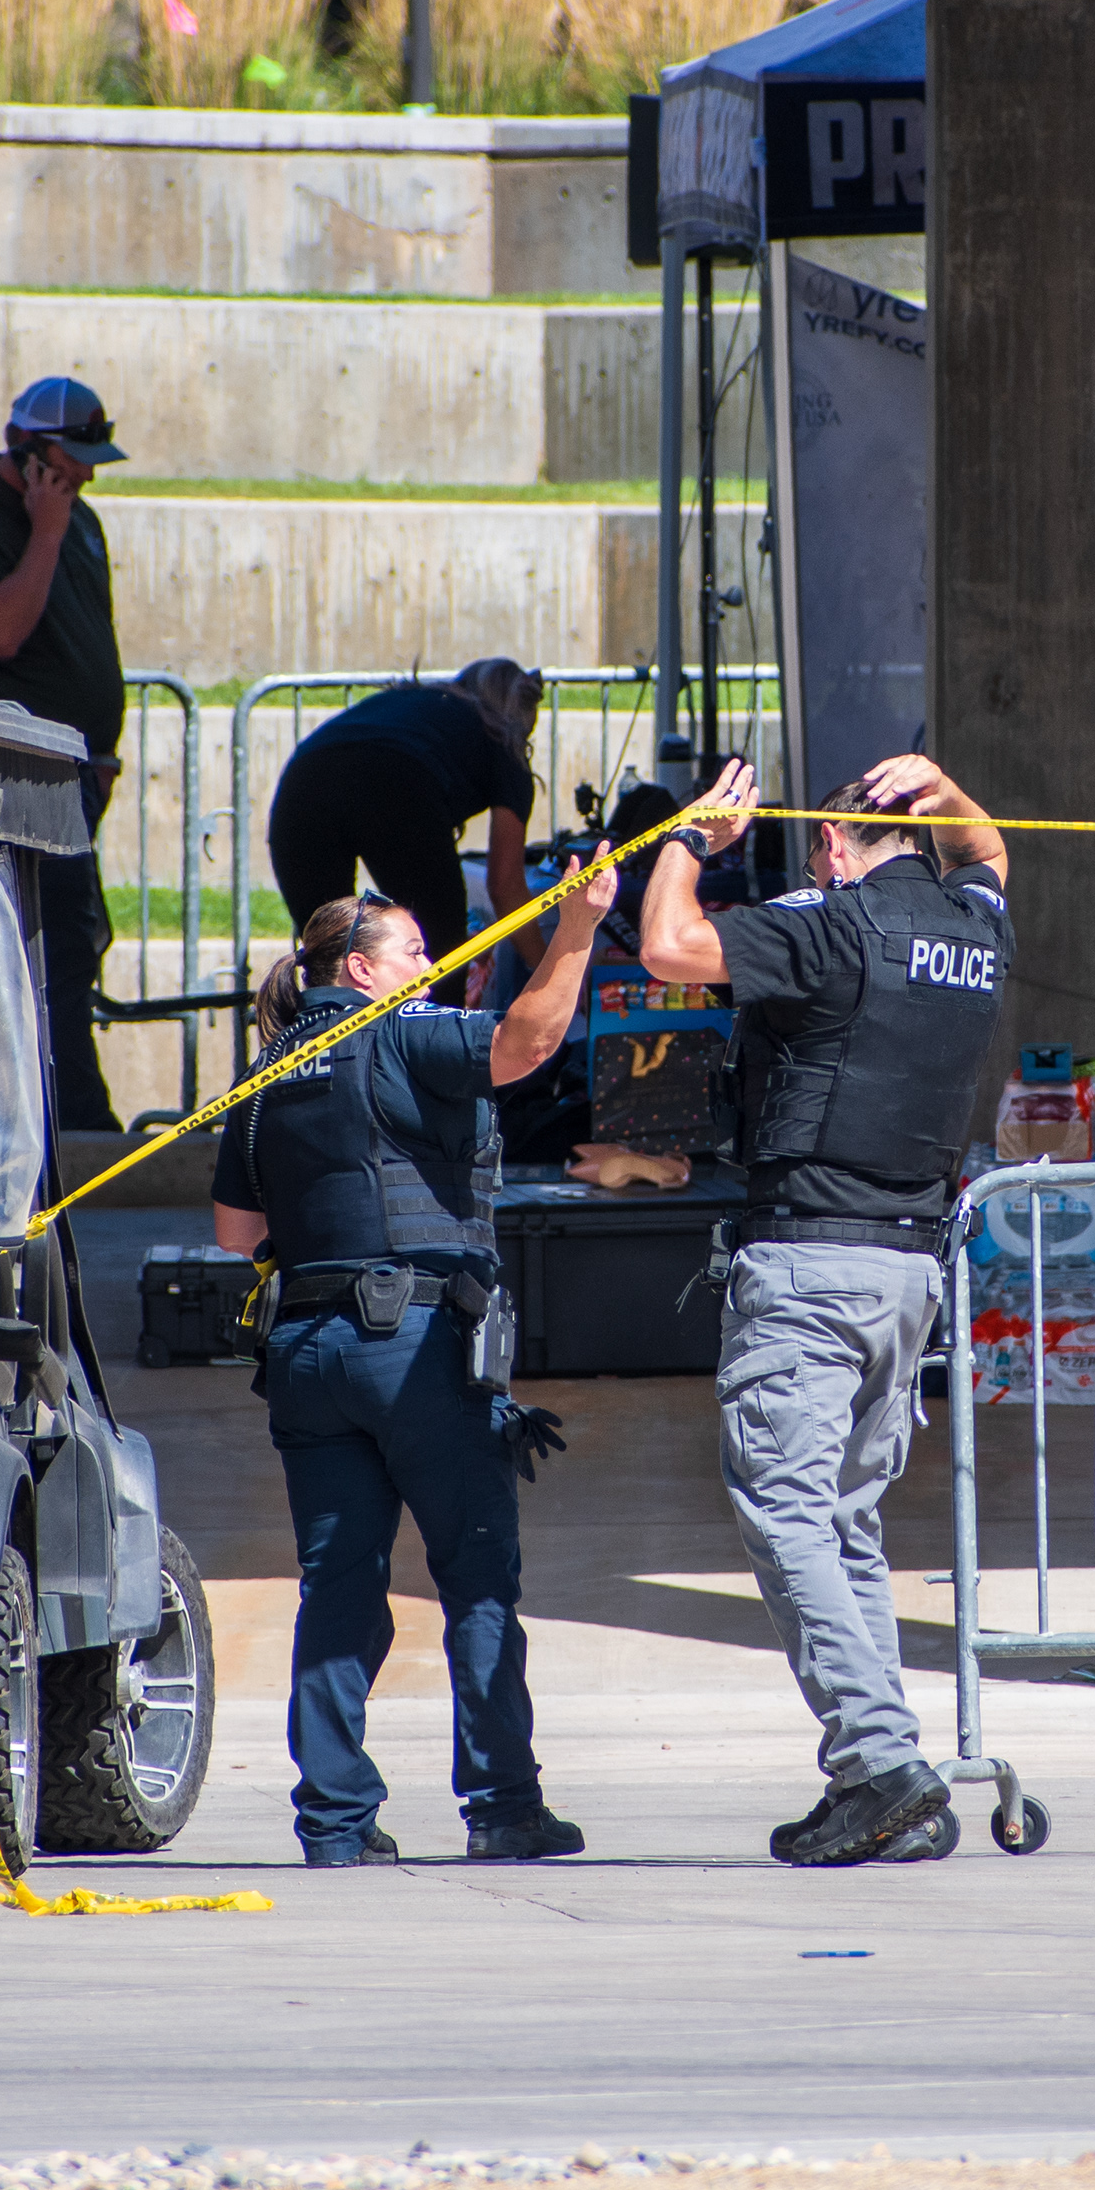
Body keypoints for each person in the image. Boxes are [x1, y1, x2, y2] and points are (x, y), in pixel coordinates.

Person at [636, 753, 1010, 1866]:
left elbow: (669, 947)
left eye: (817, 851)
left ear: (837, 850)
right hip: (909, 1276)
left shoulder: (829, 927)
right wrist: (945, 785)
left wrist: (683, 843)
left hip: (811, 1270)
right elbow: (990, 852)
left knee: (788, 1514)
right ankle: (882, 1776)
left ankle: (884, 1762)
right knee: (844, 1522)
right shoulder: (971, 928)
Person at [210, 860, 615, 1867]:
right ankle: (504, 1807)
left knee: (337, 1588)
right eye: (414, 950)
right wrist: (577, 929)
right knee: (477, 1580)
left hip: (306, 1353)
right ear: (359, 965)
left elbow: (234, 1231)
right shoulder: (395, 1031)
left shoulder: (266, 1071)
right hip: (416, 1349)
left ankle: (335, 1824)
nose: (432, 964)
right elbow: (530, 1043)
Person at [0, 375, 130, 1131]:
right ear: (30, 452)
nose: (87, 475)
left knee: (76, 942)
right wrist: (42, 529)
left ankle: (71, 1108)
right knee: (45, 950)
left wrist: (101, 752)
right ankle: (64, 1118)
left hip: (73, 776)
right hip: (9, 778)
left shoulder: (81, 522)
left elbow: (89, 644)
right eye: (73, 459)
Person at [268, 661, 543, 1005]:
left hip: (304, 782)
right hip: (398, 782)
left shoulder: (411, 701)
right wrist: (550, 974)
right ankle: (431, 1053)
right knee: (438, 953)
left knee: (327, 954)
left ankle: (327, 1051)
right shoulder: (502, 742)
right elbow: (506, 886)